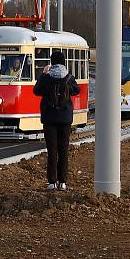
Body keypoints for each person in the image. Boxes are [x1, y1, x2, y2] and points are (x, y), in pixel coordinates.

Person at [33, 51, 80, 191]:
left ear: (51, 62)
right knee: (63, 150)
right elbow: (76, 90)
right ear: (63, 62)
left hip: (50, 119)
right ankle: (63, 182)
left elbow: (36, 91)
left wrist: (43, 74)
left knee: (52, 151)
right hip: (65, 119)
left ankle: (52, 182)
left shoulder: (47, 78)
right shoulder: (69, 77)